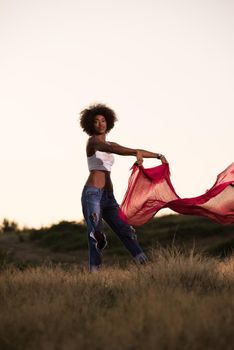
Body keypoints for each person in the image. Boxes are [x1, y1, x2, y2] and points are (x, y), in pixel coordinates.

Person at [80, 103, 168, 272]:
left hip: (108, 197)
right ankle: (95, 272)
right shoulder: (93, 142)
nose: (100, 124)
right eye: (96, 121)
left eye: (103, 120)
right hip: (93, 194)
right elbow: (111, 148)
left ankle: (145, 266)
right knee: (94, 234)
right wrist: (135, 152)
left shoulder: (112, 143)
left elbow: (120, 147)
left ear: (108, 123)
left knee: (126, 230)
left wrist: (158, 156)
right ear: (90, 124)